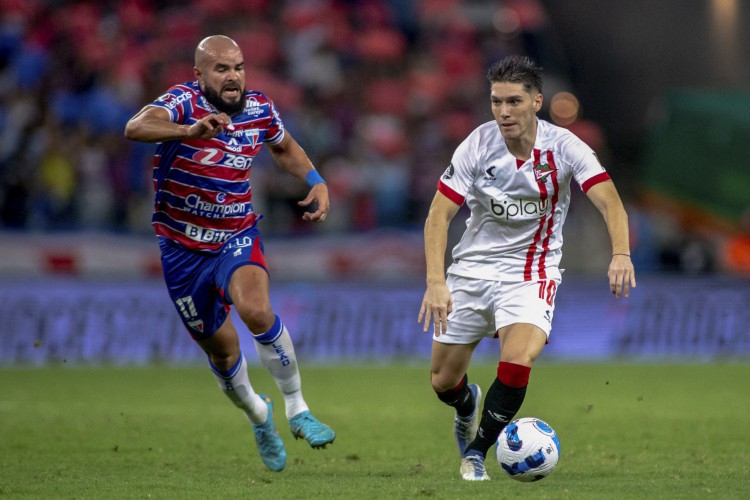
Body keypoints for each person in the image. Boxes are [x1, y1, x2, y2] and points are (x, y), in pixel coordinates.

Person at [417, 55, 636, 481]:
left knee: (517, 360)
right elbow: (439, 215)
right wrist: (436, 281)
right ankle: (466, 406)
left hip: (532, 273)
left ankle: (477, 452)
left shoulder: (565, 147)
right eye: (496, 102)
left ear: (536, 102)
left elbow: (610, 200)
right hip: (472, 271)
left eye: (513, 101)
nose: (503, 112)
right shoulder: (477, 145)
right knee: (443, 382)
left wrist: (621, 254)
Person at [124, 35, 334, 472]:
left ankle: (297, 408)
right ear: (199, 75)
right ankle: (260, 416)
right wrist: (186, 131)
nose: (233, 76)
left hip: (235, 232)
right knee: (222, 353)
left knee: (256, 311)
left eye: (238, 67)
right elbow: (136, 127)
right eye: (221, 69)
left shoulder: (259, 108)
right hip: (182, 249)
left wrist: (314, 178)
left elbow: (284, 146)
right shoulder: (182, 103)